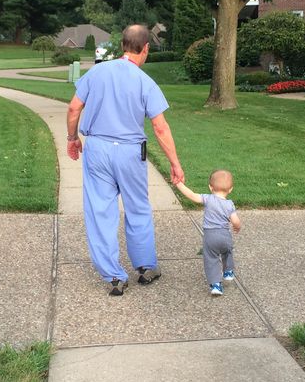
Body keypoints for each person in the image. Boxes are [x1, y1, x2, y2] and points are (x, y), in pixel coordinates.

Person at [66, 24, 185, 296]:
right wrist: (175, 163)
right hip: (131, 152)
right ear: (145, 49)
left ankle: (114, 276)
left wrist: (72, 137)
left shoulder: (96, 72)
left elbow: (74, 107)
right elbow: (160, 127)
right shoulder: (146, 82)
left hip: (97, 149)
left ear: (122, 46)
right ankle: (145, 267)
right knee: (138, 207)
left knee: (100, 212)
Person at [175, 170, 242, 296]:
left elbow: (192, 195)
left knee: (211, 259)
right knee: (228, 251)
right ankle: (228, 271)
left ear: (210, 187)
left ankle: (216, 285)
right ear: (231, 189)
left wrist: (179, 184)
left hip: (210, 236)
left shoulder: (208, 199)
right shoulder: (229, 204)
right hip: (225, 235)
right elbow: (235, 220)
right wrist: (237, 227)